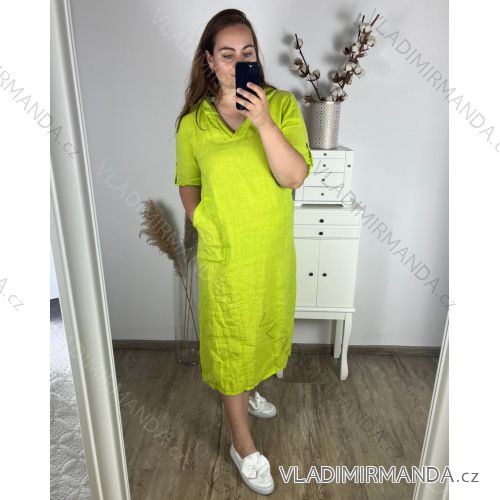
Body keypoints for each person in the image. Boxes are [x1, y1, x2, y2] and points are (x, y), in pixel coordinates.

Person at [174, 9, 313, 495]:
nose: (238, 62)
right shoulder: (194, 123)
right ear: (209, 61)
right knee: (231, 340)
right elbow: (187, 180)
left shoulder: (282, 106)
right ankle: (243, 445)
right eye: (227, 54)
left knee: (264, 326)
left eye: (247, 52)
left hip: (271, 250)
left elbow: (293, 177)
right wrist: (202, 221)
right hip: (225, 254)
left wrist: (263, 121)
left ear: (257, 56)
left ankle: (250, 390)